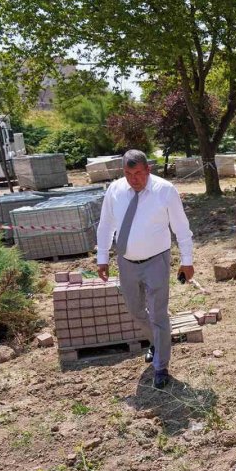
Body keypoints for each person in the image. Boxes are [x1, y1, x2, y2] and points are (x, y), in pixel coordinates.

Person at [96, 150, 194, 389]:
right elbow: (106, 224)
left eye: (138, 173)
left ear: (148, 169)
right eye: (129, 174)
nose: (134, 179)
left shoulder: (165, 190)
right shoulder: (115, 190)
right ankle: (156, 342)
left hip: (156, 261)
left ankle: (161, 366)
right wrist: (102, 257)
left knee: (158, 314)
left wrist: (187, 260)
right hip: (126, 262)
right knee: (135, 310)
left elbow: (181, 227)